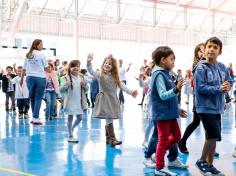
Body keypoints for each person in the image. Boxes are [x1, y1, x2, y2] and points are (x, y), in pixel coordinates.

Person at [194, 37, 231, 176]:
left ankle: (209, 166)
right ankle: (201, 161)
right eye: (209, 46)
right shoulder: (201, 67)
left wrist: (227, 86)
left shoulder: (222, 67)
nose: (212, 49)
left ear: (219, 51)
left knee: (213, 137)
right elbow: (201, 88)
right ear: (205, 48)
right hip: (205, 107)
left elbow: (228, 81)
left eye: (215, 47)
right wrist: (219, 89)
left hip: (218, 107)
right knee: (214, 134)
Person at [87, 53, 138, 147]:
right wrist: (89, 61)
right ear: (103, 64)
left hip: (112, 99)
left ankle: (108, 139)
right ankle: (112, 138)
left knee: (109, 118)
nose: (107, 65)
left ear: (113, 67)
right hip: (104, 98)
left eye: (109, 64)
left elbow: (122, 85)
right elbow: (90, 70)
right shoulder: (100, 74)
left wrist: (130, 92)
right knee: (109, 117)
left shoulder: (115, 77)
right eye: (105, 63)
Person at [150, 46, 187, 176]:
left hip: (170, 113)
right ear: (163, 60)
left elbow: (170, 98)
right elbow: (163, 95)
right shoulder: (159, 74)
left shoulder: (167, 74)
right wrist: (176, 89)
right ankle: (159, 167)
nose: (173, 62)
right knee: (163, 138)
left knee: (177, 135)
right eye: (171, 59)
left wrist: (178, 109)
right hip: (162, 114)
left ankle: (159, 155)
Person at [60, 60, 88, 142]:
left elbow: (86, 89)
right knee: (70, 118)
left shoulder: (82, 77)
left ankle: (71, 129)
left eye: (78, 66)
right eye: (74, 66)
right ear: (70, 68)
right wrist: (66, 84)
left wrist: (84, 85)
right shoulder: (65, 78)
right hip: (69, 101)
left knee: (80, 118)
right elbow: (61, 90)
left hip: (78, 101)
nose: (76, 67)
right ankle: (70, 135)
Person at [22, 39, 48, 125]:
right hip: (40, 78)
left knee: (32, 98)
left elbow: (24, 68)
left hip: (29, 78)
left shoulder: (28, 54)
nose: (42, 46)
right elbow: (46, 67)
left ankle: (34, 117)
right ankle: (36, 117)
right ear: (36, 45)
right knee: (38, 98)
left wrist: (22, 79)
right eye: (41, 44)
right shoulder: (41, 54)